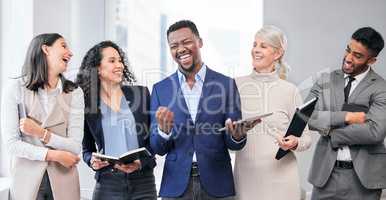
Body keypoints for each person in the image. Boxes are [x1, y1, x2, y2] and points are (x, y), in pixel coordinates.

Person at [150, 20, 258, 200]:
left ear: (200, 42)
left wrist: (237, 136)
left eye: (186, 42)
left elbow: (233, 143)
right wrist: (163, 132)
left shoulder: (226, 84)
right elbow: (157, 148)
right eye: (174, 45)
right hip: (176, 186)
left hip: (217, 184)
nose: (181, 49)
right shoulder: (161, 89)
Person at [1, 33, 83, 200]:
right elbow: (12, 144)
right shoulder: (15, 89)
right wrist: (55, 155)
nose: (70, 52)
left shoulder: (75, 93)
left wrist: (41, 133)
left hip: (64, 181)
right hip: (26, 181)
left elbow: (74, 146)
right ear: (46, 49)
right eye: (63, 46)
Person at [306, 27, 386, 200]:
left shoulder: (381, 88)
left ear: (372, 60)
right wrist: (347, 117)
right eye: (348, 50)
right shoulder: (325, 80)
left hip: (364, 180)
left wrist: (333, 133)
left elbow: (375, 132)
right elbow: (307, 117)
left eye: (357, 56)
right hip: (325, 176)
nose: (348, 58)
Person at [233, 25, 312, 200]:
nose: (255, 50)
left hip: (283, 180)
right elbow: (227, 135)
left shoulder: (290, 91)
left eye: (263, 46)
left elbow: (306, 139)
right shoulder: (235, 86)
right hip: (247, 178)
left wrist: (294, 142)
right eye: (254, 44)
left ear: (277, 54)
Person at [76, 41, 157, 200]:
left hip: (143, 182)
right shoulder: (88, 105)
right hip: (108, 183)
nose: (119, 65)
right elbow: (86, 149)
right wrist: (92, 161)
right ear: (98, 68)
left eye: (120, 60)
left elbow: (154, 141)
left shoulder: (140, 94)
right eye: (112, 61)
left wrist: (141, 162)